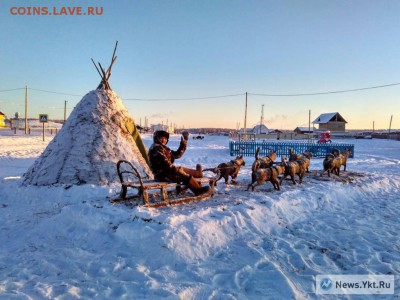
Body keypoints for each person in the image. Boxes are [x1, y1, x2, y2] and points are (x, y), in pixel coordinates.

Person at [148, 130, 210, 195]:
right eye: (162, 138)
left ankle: (198, 174)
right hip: (162, 175)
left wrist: (184, 142)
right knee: (184, 175)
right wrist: (176, 170)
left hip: (166, 172)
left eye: (165, 138)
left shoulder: (162, 148)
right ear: (156, 138)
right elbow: (165, 163)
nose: (164, 140)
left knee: (181, 169)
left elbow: (177, 154)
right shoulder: (156, 148)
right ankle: (198, 190)